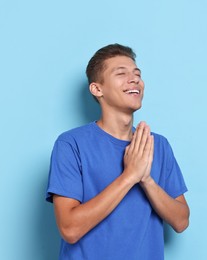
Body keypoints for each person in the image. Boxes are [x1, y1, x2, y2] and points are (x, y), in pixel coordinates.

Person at [46, 43, 190, 260]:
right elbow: (70, 229)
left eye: (137, 74)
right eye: (121, 74)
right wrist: (129, 176)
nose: (134, 80)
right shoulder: (70, 144)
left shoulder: (158, 145)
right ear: (97, 89)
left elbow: (181, 221)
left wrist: (146, 180)